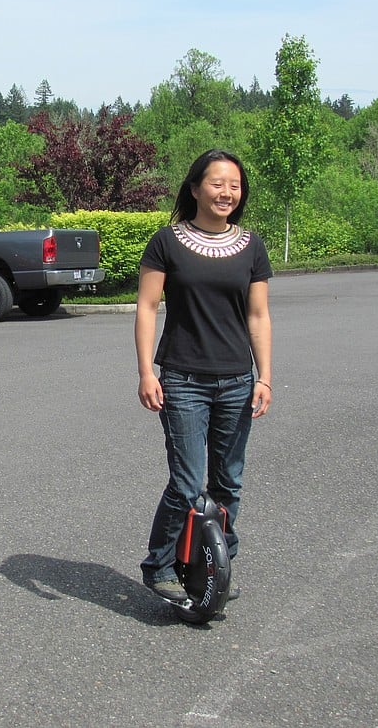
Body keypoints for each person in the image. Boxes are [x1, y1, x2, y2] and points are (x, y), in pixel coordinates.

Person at [135, 149, 273, 603]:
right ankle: (157, 566)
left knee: (229, 482)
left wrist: (265, 376)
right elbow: (147, 308)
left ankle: (220, 562)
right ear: (195, 188)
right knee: (188, 483)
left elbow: (258, 315)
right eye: (217, 183)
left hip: (237, 380)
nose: (226, 193)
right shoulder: (167, 242)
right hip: (183, 380)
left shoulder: (251, 246)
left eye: (234, 185)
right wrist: (145, 373)